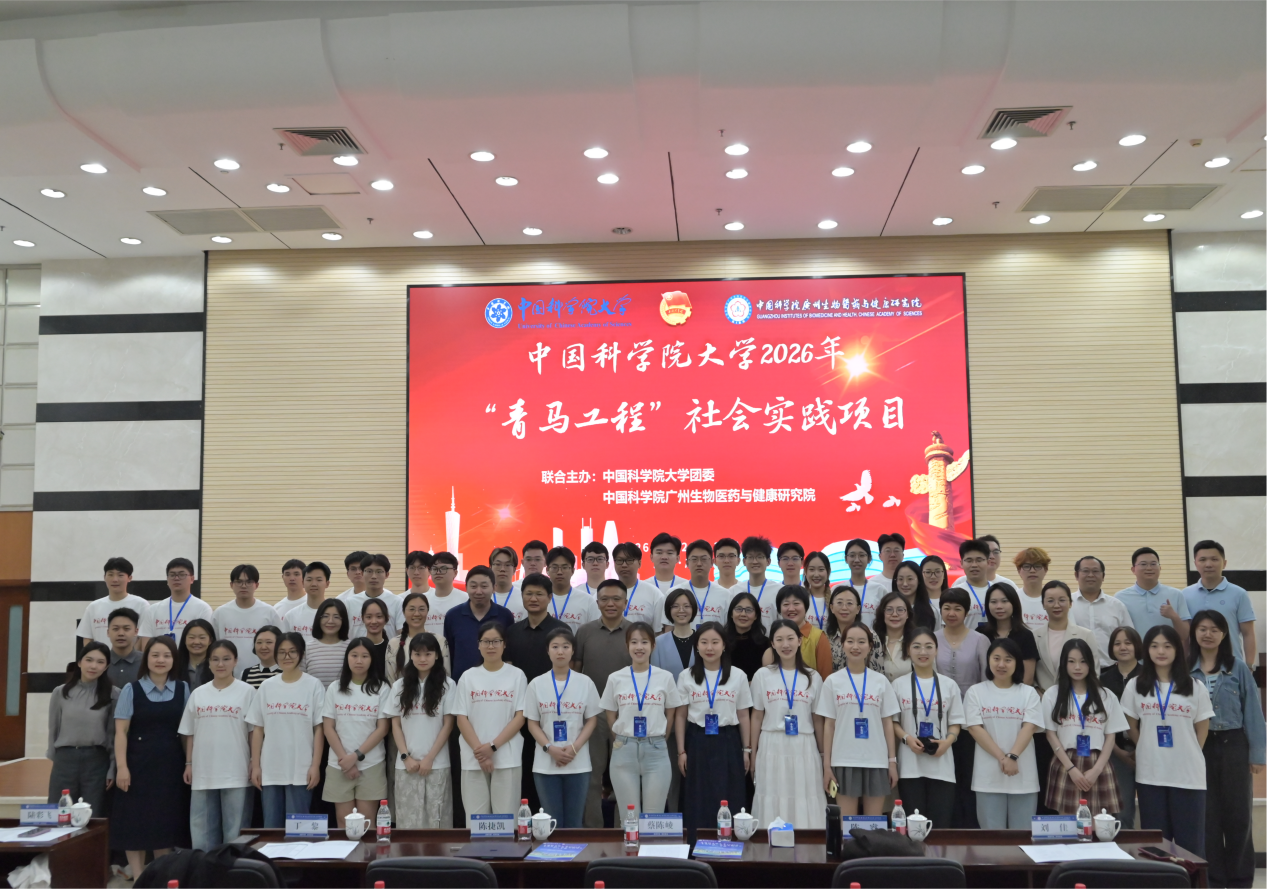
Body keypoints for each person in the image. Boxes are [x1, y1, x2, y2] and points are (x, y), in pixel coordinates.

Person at [1189, 609, 1267, 888]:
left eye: (1214, 629)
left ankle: (1240, 880)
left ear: (1224, 634)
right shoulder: (1185, 669)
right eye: (1202, 629)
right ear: (1194, 633)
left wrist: (1258, 754)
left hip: (1234, 744)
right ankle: (1213, 879)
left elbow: (1253, 712)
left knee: (1238, 816)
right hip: (1199, 747)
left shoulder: (1238, 667)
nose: (1208, 634)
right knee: (1207, 816)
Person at [1122, 624, 1214, 856]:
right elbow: (1130, 725)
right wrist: (1146, 747)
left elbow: (1202, 728)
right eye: (1154, 646)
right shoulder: (1135, 685)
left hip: (1188, 776)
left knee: (1190, 848)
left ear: (1177, 650)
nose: (1160, 651)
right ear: (1146, 650)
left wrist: (1189, 753)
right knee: (1156, 847)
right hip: (1151, 774)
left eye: (1167, 646)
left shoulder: (1195, 686)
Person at [112, 636, 188, 880]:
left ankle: (160, 877)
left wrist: (189, 763)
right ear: (146, 659)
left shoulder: (183, 688)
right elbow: (121, 732)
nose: (160, 660)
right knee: (134, 821)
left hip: (170, 765)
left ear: (174, 660)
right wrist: (122, 767)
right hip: (137, 765)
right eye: (155, 655)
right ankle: (138, 878)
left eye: (166, 655)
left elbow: (187, 732)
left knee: (164, 822)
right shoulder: (131, 689)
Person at [815, 623, 899, 815]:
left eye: (861, 642)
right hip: (843, 760)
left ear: (870, 646)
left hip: (876, 760)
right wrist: (827, 766)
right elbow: (829, 726)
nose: (855, 646)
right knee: (847, 824)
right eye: (850, 641)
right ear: (842, 645)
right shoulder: (832, 681)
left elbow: (887, 724)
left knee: (873, 823)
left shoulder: (881, 681)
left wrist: (892, 762)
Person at [179, 639, 254, 850]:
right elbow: (189, 733)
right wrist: (189, 764)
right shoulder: (198, 693)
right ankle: (204, 870)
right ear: (208, 662)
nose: (221, 664)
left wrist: (253, 762)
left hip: (237, 770)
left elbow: (253, 732)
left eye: (226, 659)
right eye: (215, 659)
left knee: (235, 832)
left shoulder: (247, 691)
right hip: (203, 771)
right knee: (201, 833)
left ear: (235, 661)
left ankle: (233, 869)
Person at [676, 622, 752, 828]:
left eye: (715, 642)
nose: (709, 648)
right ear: (697, 646)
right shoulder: (686, 676)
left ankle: (728, 841)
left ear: (724, 645)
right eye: (704, 642)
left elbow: (743, 715)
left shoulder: (738, 675)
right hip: (697, 740)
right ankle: (696, 842)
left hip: (728, 740)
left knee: (729, 793)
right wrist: (681, 751)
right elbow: (681, 716)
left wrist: (746, 750)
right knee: (697, 794)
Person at [601, 623, 682, 818]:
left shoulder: (665, 677)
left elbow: (671, 713)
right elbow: (610, 715)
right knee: (629, 818)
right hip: (624, 750)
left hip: (656, 750)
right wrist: (622, 739)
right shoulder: (615, 678)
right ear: (627, 646)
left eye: (644, 642)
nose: (639, 647)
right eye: (634, 642)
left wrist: (660, 737)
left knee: (653, 817)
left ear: (653, 646)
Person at [750, 619, 825, 828]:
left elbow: (817, 719)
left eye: (790, 638)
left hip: (804, 745)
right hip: (771, 744)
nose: (786, 644)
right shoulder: (763, 675)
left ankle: (807, 845)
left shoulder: (813, 677)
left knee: (805, 795)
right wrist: (752, 752)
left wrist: (822, 754)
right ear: (772, 644)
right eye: (779, 640)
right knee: (772, 795)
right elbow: (756, 716)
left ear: (799, 641)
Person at [525, 627, 601, 828]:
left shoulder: (585, 682)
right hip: (545, 763)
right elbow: (532, 723)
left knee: (574, 823)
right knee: (552, 822)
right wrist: (550, 748)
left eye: (565, 647)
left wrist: (575, 748)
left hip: (578, 762)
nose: (560, 651)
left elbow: (592, 720)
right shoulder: (536, 684)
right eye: (555, 647)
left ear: (573, 651)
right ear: (547, 650)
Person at [964, 637, 1044, 828]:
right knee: (991, 837)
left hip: (1023, 777)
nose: (1001, 664)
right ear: (988, 660)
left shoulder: (1028, 693)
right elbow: (975, 728)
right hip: (988, 778)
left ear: (1017, 663)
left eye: (1008, 659)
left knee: (1023, 836)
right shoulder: (976, 692)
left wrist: (1013, 756)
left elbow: (1030, 727)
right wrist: (1003, 758)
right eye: (996, 658)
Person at [247, 632, 325, 828]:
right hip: (270, 769)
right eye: (281, 652)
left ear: (301, 654)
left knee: (298, 830)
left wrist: (315, 766)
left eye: (292, 652)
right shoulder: (267, 686)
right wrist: (256, 766)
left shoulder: (313, 685)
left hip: (301, 769)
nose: (286, 657)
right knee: (271, 828)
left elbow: (319, 729)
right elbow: (258, 729)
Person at [573, 579, 633, 827]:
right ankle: (593, 830)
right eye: (605, 599)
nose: (610, 603)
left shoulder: (635, 632)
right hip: (594, 713)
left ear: (625, 602)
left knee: (625, 775)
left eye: (616, 599)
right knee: (592, 774)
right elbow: (576, 671)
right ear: (597, 602)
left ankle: (624, 829)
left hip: (627, 713)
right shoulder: (584, 632)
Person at [504, 572, 566, 812]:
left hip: (551, 709)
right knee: (523, 764)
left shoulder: (561, 631)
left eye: (539, 594)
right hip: (519, 711)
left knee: (549, 764)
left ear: (550, 597)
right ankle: (524, 819)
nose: (533, 598)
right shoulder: (512, 632)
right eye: (528, 593)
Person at [1042, 638, 1125, 815]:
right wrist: (1071, 769)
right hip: (1065, 761)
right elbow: (1050, 734)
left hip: (1097, 762)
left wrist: (1097, 769)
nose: (1077, 667)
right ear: (1064, 664)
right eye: (1071, 661)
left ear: (1091, 663)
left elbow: (1110, 737)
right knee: (1068, 823)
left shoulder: (1106, 695)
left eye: (1083, 661)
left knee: (1097, 823)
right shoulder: (1052, 694)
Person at [453, 622, 528, 814]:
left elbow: (520, 717)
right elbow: (461, 718)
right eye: (486, 641)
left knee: (507, 818)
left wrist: (492, 747)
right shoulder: (468, 677)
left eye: (496, 641)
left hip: (507, 758)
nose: (491, 646)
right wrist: (481, 753)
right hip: (473, 759)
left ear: (504, 644)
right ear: (478, 645)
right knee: (475, 819)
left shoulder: (517, 675)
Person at [892, 627, 963, 829]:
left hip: (942, 765)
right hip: (910, 765)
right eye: (916, 647)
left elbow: (956, 722)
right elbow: (893, 721)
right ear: (908, 650)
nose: (923, 652)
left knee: (940, 826)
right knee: (913, 827)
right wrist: (907, 738)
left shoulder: (949, 685)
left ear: (936, 650)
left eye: (928, 647)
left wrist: (947, 742)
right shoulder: (898, 685)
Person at [384, 633, 456, 829]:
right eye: (417, 654)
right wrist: (405, 757)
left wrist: (430, 758)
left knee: (437, 822)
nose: (422, 659)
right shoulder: (399, 686)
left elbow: (448, 725)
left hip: (437, 764)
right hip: (407, 766)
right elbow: (395, 725)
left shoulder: (448, 685)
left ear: (437, 655)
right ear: (411, 655)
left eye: (428, 654)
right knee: (408, 823)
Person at [322, 638, 391, 826]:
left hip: (371, 764)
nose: (359, 660)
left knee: (367, 824)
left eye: (364, 656)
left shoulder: (381, 688)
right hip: (339, 764)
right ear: (347, 658)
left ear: (372, 659)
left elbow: (383, 728)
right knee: (344, 824)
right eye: (354, 655)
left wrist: (355, 756)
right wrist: (345, 760)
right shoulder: (335, 688)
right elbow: (328, 727)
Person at [935, 588, 988, 827]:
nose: (951, 613)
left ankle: (969, 826)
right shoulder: (932, 639)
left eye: (957, 608)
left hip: (970, 718)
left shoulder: (980, 640)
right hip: (939, 716)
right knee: (944, 773)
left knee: (967, 770)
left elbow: (986, 678)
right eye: (947, 608)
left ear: (967, 612)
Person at [47, 641, 118, 815]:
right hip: (65, 760)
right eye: (89, 660)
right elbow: (53, 729)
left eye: (100, 662)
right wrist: (56, 760)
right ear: (79, 662)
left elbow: (114, 735)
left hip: (97, 761)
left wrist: (112, 768)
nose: (93, 666)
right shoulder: (60, 692)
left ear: (106, 666)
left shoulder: (114, 694)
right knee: (59, 813)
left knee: (92, 814)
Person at [1184, 541, 1256, 664]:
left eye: (1214, 559)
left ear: (1224, 563)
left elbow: (1248, 633)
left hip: (1231, 666)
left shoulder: (1239, 594)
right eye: (1202, 560)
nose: (1208, 564)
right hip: (1195, 667)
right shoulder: (1185, 595)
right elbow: (1184, 636)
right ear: (1195, 564)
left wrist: (1249, 666)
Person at [1100, 625, 1143, 828]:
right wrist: (1118, 752)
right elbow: (1099, 721)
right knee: (1121, 812)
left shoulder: (1149, 676)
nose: (1123, 647)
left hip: (1147, 751)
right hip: (1115, 752)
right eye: (1117, 643)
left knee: (1153, 809)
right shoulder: (1103, 679)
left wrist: (1141, 748)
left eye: (1128, 642)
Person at [445, 565, 515, 681]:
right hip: (461, 683)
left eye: (484, 586)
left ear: (494, 588)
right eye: (473, 586)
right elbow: (449, 653)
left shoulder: (505, 615)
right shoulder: (453, 616)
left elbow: (508, 653)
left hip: (497, 683)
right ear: (466, 587)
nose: (478, 591)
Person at [213, 565, 281, 677]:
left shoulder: (269, 612)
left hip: (262, 676)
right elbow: (214, 646)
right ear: (231, 585)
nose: (243, 586)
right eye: (239, 582)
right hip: (227, 676)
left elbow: (280, 646)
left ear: (256, 585)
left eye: (249, 582)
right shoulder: (220, 613)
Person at [1034, 581, 1098, 691]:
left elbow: (1094, 671)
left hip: (1076, 697)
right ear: (1043, 604)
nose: (1056, 605)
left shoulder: (1086, 635)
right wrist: (1037, 691)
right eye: (1050, 600)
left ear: (1070, 603)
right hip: (1042, 697)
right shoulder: (1034, 636)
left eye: (1062, 600)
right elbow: (1030, 672)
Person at [1070, 556, 1134, 665]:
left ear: (1103, 576)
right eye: (1085, 571)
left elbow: (1130, 638)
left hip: (1111, 669)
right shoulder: (1067, 604)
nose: (1091, 575)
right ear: (1076, 575)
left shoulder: (1117, 606)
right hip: (1076, 669)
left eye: (1095, 571)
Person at [1117, 547, 1190, 639]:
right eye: (1143, 564)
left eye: (1153, 564)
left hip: (1166, 648)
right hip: (1135, 648)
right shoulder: (1120, 598)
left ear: (1160, 568)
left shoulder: (1176, 595)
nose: (1149, 568)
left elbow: (1184, 636)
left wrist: (1173, 616)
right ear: (1133, 569)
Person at [763, 586, 832, 679]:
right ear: (779, 609)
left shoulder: (818, 637)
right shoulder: (775, 635)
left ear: (805, 607)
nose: (791, 609)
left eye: (796, 603)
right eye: (786, 604)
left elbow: (825, 676)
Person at [139, 558, 213, 643]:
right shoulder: (153, 610)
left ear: (192, 579)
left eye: (182, 574)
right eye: (172, 575)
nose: (176, 578)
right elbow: (146, 645)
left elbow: (205, 641)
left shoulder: (203, 608)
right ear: (167, 579)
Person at [78, 557, 149, 645]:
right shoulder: (93, 607)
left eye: (120, 575)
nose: (115, 579)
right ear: (104, 577)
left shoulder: (141, 605)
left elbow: (143, 638)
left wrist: (133, 654)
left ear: (129, 578)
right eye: (110, 575)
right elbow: (88, 638)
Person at [979, 584, 1038, 687]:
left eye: (1004, 601)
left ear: (1014, 603)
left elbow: (1028, 678)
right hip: (984, 692)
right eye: (993, 602)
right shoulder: (981, 633)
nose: (999, 606)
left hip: (1017, 693)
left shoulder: (1025, 635)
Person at [386, 592, 443, 683]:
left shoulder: (440, 641)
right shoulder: (394, 643)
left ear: (427, 611)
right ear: (403, 612)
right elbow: (390, 680)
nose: (416, 614)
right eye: (411, 609)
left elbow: (445, 676)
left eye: (421, 609)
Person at [343, 553, 400, 638]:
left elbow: (401, 633)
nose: (374, 576)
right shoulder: (349, 603)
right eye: (369, 571)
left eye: (379, 572)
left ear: (387, 574)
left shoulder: (397, 602)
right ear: (362, 573)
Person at [544, 547, 599, 633]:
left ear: (573, 570)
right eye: (554, 567)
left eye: (564, 567)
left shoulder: (587, 600)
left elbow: (595, 632)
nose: (559, 572)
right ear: (547, 570)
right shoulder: (540, 600)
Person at [612, 542, 665, 628]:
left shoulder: (654, 594)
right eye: (619, 560)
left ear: (639, 563)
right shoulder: (604, 593)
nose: (624, 565)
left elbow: (658, 632)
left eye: (629, 560)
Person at [303, 599, 351, 688]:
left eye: (336, 617)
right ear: (318, 619)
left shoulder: (351, 648)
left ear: (343, 620)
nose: (330, 621)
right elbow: (301, 681)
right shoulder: (306, 648)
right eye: (325, 616)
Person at [650, 589, 696, 677]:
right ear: (669, 610)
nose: (681, 610)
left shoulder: (703, 640)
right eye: (675, 606)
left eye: (686, 606)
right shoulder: (659, 643)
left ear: (693, 609)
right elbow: (655, 677)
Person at [685, 539, 732, 626]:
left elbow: (728, 628)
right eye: (694, 559)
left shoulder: (725, 594)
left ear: (712, 562)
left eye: (704, 559)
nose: (699, 564)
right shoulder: (676, 592)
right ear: (687, 563)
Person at [724, 592, 771, 678]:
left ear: (756, 615)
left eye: (749, 610)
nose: (743, 614)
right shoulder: (722, 642)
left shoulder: (766, 644)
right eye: (739, 609)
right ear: (731, 614)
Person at [870, 592, 914, 681]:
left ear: (908, 614)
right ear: (882, 613)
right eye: (889, 610)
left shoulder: (916, 640)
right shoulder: (871, 640)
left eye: (900, 610)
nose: (894, 614)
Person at [741, 536, 783, 631]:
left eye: (760, 557)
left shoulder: (779, 590)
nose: (755, 561)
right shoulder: (734, 591)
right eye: (750, 557)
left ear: (768, 561)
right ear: (744, 561)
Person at [282, 561, 331, 640]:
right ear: (303, 583)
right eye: (309, 580)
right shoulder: (291, 616)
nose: (314, 584)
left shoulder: (335, 614)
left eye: (319, 580)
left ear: (327, 584)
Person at [425, 552, 469, 638]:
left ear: (455, 573)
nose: (438, 572)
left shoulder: (466, 599)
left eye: (443, 568)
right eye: (434, 569)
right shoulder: (423, 599)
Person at [953, 540, 992, 629]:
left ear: (988, 562)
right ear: (961, 563)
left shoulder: (998, 591)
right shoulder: (955, 593)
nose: (974, 565)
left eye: (979, 560)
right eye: (969, 560)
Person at [1013, 547, 1051, 631]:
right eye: (1026, 566)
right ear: (1019, 570)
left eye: (1037, 566)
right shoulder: (1013, 599)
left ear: (1045, 570)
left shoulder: (1054, 599)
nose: (1032, 570)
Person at [826, 586, 863, 673]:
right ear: (831, 608)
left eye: (849, 603)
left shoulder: (870, 636)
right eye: (839, 603)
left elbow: (877, 673)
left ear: (858, 609)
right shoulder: (825, 638)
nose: (844, 608)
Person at [894, 560, 938, 630]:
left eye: (910, 579)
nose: (905, 584)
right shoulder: (889, 611)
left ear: (919, 580)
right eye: (900, 579)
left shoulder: (932, 611)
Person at [106, 607, 143, 688]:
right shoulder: (101, 661)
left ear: (136, 631)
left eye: (126, 629)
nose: (121, 633)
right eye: (115, 629)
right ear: (108, 632)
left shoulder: (146, 661)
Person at [489, 546, 526, 622]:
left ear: (514, 570)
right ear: (490, 568)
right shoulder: (483, 596)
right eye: (498, 564)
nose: (502, 569)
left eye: (507, 565)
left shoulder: (524, 598)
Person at [176, 619, 214, 690]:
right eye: (191, 637)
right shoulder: (174, 666)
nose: (196, 642)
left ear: (210, 640)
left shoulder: (217, 666)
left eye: (202, 638)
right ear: (184, 640)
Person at [866, 533, 906, 598]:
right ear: (880, 556)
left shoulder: (909, 583)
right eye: (888, 551)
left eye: (896, 551)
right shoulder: (871, 584)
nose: (892, 555)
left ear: (903, 555)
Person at [359, 598, 392, 677]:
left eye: (379, 616)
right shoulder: (358, 647)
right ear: (362, 618)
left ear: (386, 618)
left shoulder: (392, 649)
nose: (374, 621)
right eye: (369, 617)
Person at [803, 551, 833, 631]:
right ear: (805, 571)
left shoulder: (835, 599)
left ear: (828, 572)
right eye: (812, 569)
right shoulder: (800, 599)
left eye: (821, 569)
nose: (816, 575)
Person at [844, 540, 875, 617]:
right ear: (846, 559)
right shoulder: (837, 590)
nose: (857, 560)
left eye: (861, 555)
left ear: (869, 558)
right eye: (852, 555)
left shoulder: (879, 590)